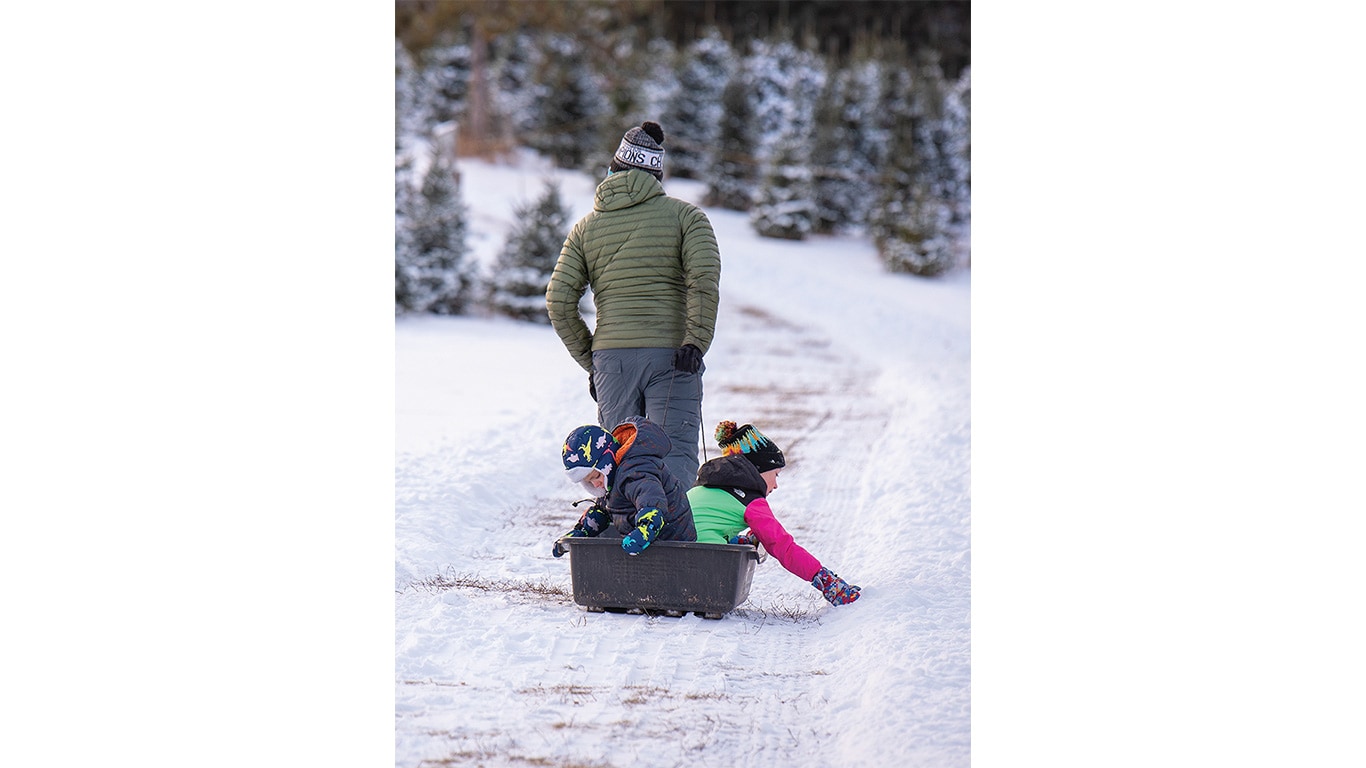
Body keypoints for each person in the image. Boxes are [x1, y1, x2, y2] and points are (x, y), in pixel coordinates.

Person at [546, 120, 721, 488]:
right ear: (657, 174)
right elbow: (702, 283)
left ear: (614, 169)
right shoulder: (687, 218)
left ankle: (620, 541)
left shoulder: (584, 230)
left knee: (619, 462)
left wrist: (592, 361)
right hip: (673, 358)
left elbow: (558, 301)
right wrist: (695, 343)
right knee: (672, 456)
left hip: (612, 360)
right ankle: (675, 542)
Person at [688, 421, 862, 606]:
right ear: (759, 471)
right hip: (705, 567)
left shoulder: (704, 486)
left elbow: (705, 526)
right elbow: (783, 547)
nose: (776, 484)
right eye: (776, 474)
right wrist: (826, 580)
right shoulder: (751, 501)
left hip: (674, 555)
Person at [553, 416, 697, 557]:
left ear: (606, 462)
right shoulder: (611, 479)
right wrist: (582, 532)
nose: (595, 484)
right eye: (589, 482)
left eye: (596, 476)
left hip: (674, 544)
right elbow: (604, 511)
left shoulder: (636, 470)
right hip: (647, 545)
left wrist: (645, 529)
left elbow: (651, 501)